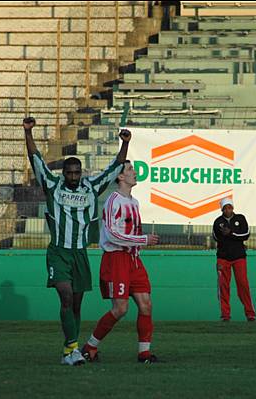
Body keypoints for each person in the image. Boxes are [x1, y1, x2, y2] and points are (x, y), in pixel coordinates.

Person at [24, 117, 130, 366]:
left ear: (81, 172)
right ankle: (72, 349)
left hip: (80, 253)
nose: (73, 176)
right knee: (66, 297)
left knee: (77, 305)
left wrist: (124, 143)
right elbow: (35, 158)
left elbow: (116, 167)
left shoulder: (91, 186)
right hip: (58, 252)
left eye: (76, 172)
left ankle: (68, 350)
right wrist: (28, 132)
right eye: (69, 172)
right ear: (63, 173)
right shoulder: (52, 184)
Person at [80, 160, 160, 363]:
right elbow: (113, 235)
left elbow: (132, 232)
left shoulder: (134, 202)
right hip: (116, 258)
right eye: (130, 169)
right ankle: (90, 347)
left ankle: (144, 354)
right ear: (120, 177)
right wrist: (143, 240)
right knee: (121, 309)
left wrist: (140, 244)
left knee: (146, 305)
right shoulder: (113, 201)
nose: (134, 172)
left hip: (133, 259)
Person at [212, 198, 256, 322]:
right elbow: (215, 237)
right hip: (223, 258)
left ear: (233, 208)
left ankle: (250, 313)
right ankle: (225, 314)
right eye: (225, 208)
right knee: (223, 286)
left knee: (243, 284)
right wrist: (224, 235)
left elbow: (246, 234)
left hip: (239, 257)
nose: (227, 210)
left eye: (229, 207)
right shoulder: (218, 221)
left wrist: (231, 233)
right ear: (222, 209)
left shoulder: (240, 219)